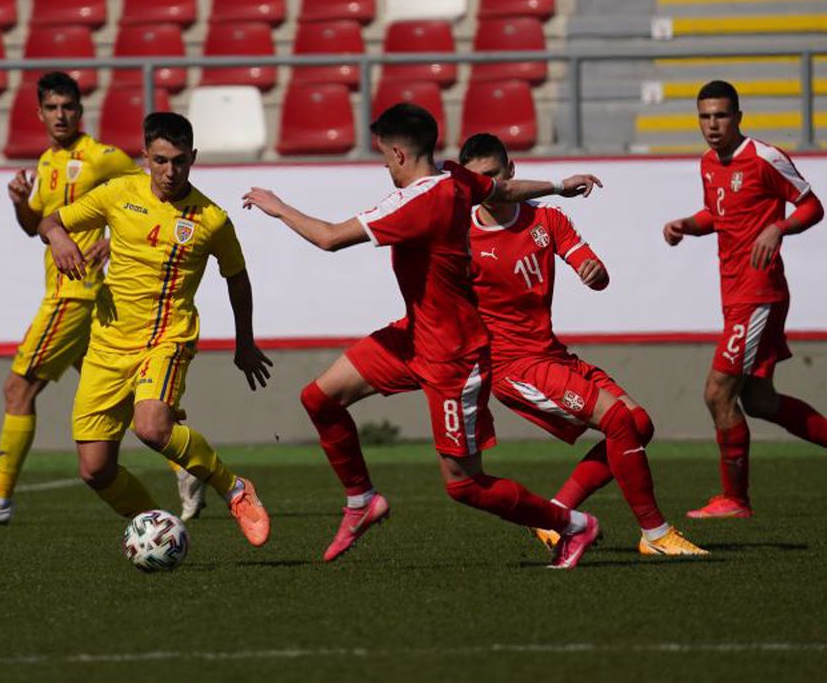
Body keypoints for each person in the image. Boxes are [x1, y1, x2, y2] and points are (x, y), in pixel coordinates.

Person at [242, 103, 603, 568]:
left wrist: (277, 207)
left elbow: (330, 238)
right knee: (320, 398)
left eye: (382, 156)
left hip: (453, 357)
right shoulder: (454, 180)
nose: (384, 166)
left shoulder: (417, 201)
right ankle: (361, 501)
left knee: (464, 486)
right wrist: (559, 186)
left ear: (396, 153)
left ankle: (573, 525)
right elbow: (505, 187)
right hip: (413, 335)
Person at [0, 73, 207, 526]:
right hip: (80, 298)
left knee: (18, 388)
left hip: (75, 293)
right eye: (52, 108)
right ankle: (185, 465)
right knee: (132, 396)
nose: (61, 115)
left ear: (80, 111)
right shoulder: (45, 164)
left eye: (69, 107)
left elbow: (150, 192)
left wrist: (112, 243)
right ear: (39, 113)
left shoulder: (101, 157)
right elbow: (36, 230)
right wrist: (21, 204)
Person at [459, 133, 706, 555]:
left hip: (551, 354)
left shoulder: (547, 220)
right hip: (512, 367)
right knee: (618, 422)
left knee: (639, 423)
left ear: (512, 171)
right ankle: (656, 534)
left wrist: (595, 273)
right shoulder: (460, 239)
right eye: (478, 179)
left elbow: (593, 268)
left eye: (495, 175)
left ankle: (554, 516)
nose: (490, 187)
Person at [38, 111, 273, 546]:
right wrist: (59, 239)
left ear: (193, 157)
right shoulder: (116, 193)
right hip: (108, 343)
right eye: (160, 160)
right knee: (94, 469)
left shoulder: (211, 219)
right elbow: (49, 222)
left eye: (180, 161)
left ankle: (234, 488)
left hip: (167, 339)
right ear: (144, 155)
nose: (169, 171)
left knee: (151, 428)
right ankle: (156, 528)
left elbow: (236, 277)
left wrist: (246, 342)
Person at [661, 80, 827, 519]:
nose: (712, 125)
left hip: (758, 293)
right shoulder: (707, 163)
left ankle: (735, 500)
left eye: (720, 115)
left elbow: (811, 206)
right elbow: (720, 215)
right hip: (735, 293)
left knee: (717, 393)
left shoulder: (765, 158)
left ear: (738, 117)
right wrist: (688, 223)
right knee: (758, 400)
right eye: (705, 117)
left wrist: (778, 228)